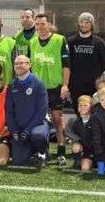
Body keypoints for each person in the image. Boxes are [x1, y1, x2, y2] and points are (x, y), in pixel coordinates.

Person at [29, 13, 70, 166]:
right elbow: (29, 67)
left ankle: (61, 152)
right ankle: (42, 152)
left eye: (42, 24)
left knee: (58, 120)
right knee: (39, 120)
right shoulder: (32, 43)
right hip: (38, 89)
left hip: (55, 88)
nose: (39, 27)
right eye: (37, 24)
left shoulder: (59, 40)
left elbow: (66, 65)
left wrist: (65, 85)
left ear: (49, 24)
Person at [5, 55, 49, 168]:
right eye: (16, 63)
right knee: (17, 161)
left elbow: (42, 111)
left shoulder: (38, 83)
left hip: (37, 125)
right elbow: (9, 111)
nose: (18, 66)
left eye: (21, 63)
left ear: (29, 65)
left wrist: (27, 131)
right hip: (20, 128)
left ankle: (43, 153)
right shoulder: (12, 85)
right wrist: (14, 131)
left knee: (38, 135)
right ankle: (33, 149)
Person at [67, 12, 105, 113]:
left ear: (92, 25)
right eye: (81, 22)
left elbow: (104, 63)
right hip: (75, 85)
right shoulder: (70, 42)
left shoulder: (99, 43)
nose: (84, 25)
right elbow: (65, 62)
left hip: (92, 85)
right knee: (78, 112)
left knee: (93, 112)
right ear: (78, 23)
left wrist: (94, 76)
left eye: (87, 23)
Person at [65, 95, 94, 171]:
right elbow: (67, 131)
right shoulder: (73, 119)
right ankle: (77, 160)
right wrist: (78, 139)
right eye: (80, 105)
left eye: (85, 105)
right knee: (76, 147)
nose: (82, 107)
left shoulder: (95, 119)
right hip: (81, 146)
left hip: (94, 148)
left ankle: (93, 161)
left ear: (90, 107)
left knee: (86, 167)